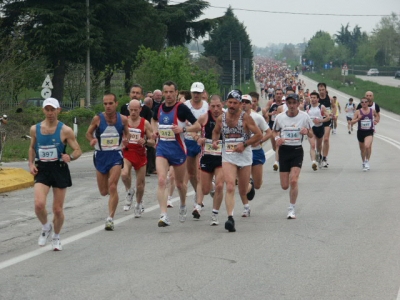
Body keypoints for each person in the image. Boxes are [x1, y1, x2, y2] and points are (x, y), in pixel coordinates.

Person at [28, 98, 82, 251]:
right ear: (43, 110)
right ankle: (46, 227)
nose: (50, 113)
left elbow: (78, 150)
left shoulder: (65, 130)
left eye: (53, 110)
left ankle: (56, 236)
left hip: (59, 168)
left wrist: (69, 157)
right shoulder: (35, 129)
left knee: (57, 209)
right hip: (43, 169)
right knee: (39, 205)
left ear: (59, 110)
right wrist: (31, 164)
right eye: (47, 109)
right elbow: (32, 148)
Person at [212, 90, 262, 232]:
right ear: (226, 102)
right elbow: (216, 131)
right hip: (228, 156)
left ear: (240, 104)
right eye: (230, 102)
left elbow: (258, 135)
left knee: (242, 190)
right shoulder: (221, 118)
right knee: (230, 186)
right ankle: (230, 218)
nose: (232, 105)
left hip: (244, 156)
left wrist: (245, 144)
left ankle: (249, 186)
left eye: (235, 103)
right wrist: (215, 141)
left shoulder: (245, 118)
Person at [152, 80, 201, 227]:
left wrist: (183, 130)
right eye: (165, 92)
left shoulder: (182, 109)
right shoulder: (159, 108)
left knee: (180, 184)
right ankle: (163, 215)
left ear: (176, 93)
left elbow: (198, 125)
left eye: (171, 92)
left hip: (178, 150)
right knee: (162, 180)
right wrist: (155, 130)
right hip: (162, 149)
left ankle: (183, 204)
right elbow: (153, 120)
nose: (168, 95)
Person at [86, 93, 130, 231]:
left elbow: (127, 133)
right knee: (104, 191)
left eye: (111, 103)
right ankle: (112, 201)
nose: (108, 106)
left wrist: (125, 140)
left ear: (116, 104)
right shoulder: (98, 119)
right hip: (100, 156)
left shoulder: (122, 119)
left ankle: (110, 218)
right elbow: (88, 133)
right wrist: (91, 140)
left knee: (112, 186)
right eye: (105, 104)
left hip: (115, 155)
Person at [272, 93, 313, 219]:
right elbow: (274, 131)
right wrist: (278, 138)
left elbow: (312, 134)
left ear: (298, 104)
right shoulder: (280, 117)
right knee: (285, 186)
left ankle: (291, 209)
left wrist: (307, 132)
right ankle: (290, 201)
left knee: (294, 180)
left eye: (294, 103)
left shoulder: (304, 117)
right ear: (287, 104)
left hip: (297, 150)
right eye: (289, 103)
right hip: (284, 151)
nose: (292, 106)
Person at [192, 95, 225, 224]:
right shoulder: (204, 117)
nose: (216, 109)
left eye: (218, 106)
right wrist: (197, 138)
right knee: (205, 189)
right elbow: (192, 130)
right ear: (209, 106)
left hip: (222, 157)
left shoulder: (227, 118)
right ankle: (208, 192)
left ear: (222, 105)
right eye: (213, 106)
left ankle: (215, 214)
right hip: (207, 155)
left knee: (220, 185)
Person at [121, 100, 155, 217]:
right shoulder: (124, 121)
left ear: (140, 109)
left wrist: (145, 141)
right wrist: (123, 141)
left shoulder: (145, 123)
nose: (133, 112)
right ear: (128, 109)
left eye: (136, 110)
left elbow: (153, 142)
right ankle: (129, 191)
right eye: (131, 110)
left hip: (140, 154)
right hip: (128, 152)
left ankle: (139, 203)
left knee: (140, 185)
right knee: (124, 174)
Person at [242, 94, 272, 217]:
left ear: (251, 104)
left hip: (256, 151)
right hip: (243, 152)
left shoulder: (257, 117)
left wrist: (260, 140)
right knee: (243, 182)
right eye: (242, 102)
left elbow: (269, 132)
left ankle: (252, 185)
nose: (244, 104)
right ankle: (246, 207)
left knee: (258, 184)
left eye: (246, 102)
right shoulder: (235, 117)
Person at [184, 82, 209, 208]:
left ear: (203, 93)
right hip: (187, 141)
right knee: (191, 173)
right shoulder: (185, 106)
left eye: (199, 93)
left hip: (201, 142)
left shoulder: (206, 106)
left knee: (199, 173)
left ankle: (199, 201)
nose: (196, 95)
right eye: (194, 92)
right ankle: (196, 191)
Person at [350, 97, 379, 171]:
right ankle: (364, 162)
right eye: (362, 102)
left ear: (368, 103)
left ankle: (367, 162)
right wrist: (358, 119)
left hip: (369, 131)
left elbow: (377, 116)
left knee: (367, 146)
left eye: (366, 102)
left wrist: (376, 121)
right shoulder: (358, 112)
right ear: (360, 103)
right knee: (362, 149)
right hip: (360, 132)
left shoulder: (372, 111)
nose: (364, 103)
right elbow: (352, 122)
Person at [306, 92, 330, 170]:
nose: (312, 99)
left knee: (319, 146)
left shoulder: (321, 107)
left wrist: (320, 120)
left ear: (317, 99)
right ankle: (313, 162)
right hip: (311, 129)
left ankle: (319, 156)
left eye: (314, 98)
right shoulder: (307, 107)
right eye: (311, 97)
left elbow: (328, 117)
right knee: (313, 145)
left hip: (319, 127)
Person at [264, 88, 284, 171]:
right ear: (274, 95)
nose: (279, 95)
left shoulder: (285, 103)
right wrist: (270, 114)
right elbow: (264, 111)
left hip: (281, 127)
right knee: (274, 146)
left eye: (280, 94)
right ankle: (279, 156)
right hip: (272, 126)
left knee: (278, 145)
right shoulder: (271, 102)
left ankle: (277, 162)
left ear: (282, 95)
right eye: (277, 94)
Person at [317, 83, 336, 168]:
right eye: (320, 90)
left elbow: (334, 107)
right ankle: (319, 156)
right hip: (319, 122)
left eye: (323, 90)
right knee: (319, 141)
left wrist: (333, 114)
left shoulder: (330, 99)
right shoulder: (316, 99)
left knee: (326, 139)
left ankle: (324, 158)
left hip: (327, 121)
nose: (321, 91)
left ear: (325, 89)